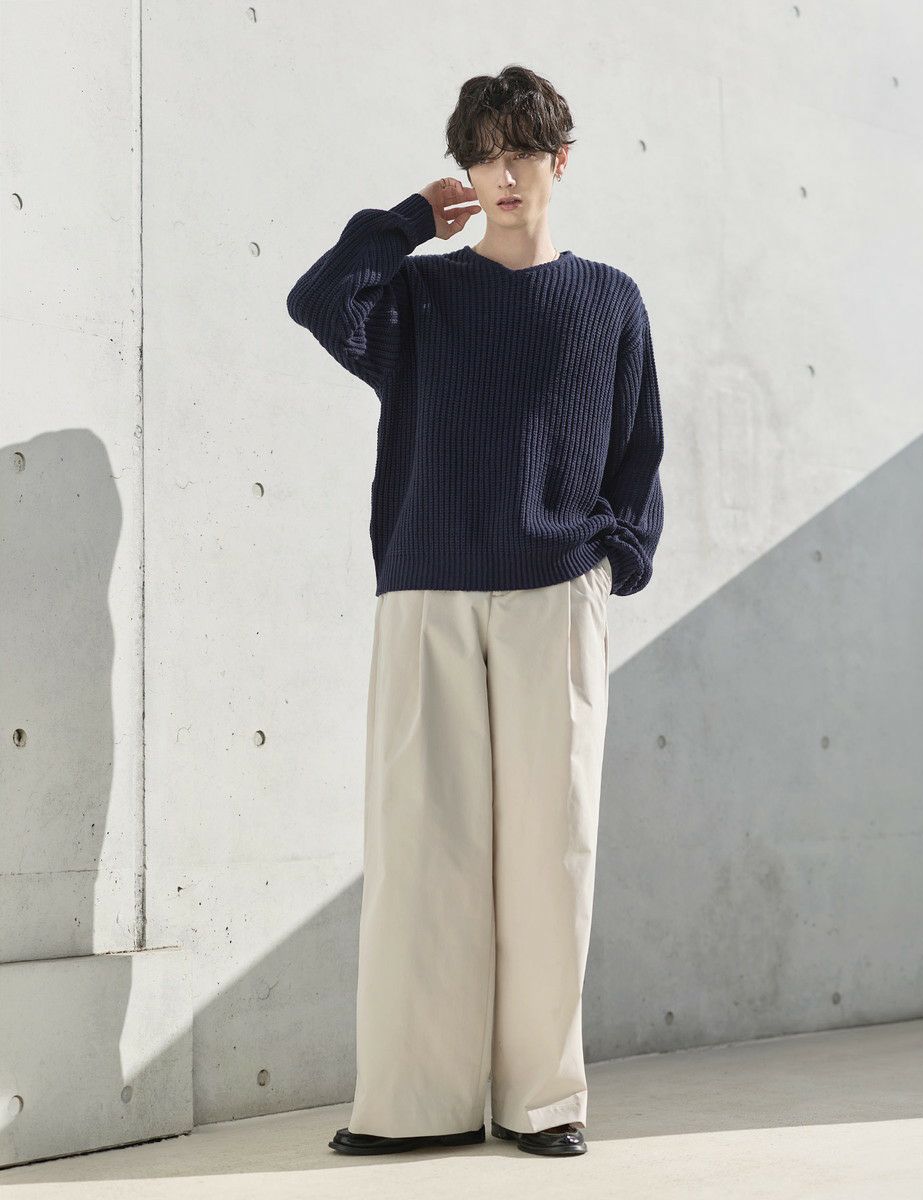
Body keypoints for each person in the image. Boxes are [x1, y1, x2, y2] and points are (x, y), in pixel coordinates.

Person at [286, 65, 664, 1159]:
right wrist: (408, 221)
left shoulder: (609, 300)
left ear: (559, 160)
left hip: (557, 594)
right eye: (482, 155)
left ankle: (543, 1101)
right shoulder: (423, 297)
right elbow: (318, 302)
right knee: (421, 855)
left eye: (519, 152)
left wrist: (614, 561)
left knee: (552, 856)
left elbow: (638, 447)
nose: (501, 174)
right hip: (428, 587)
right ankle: (415, 1106)